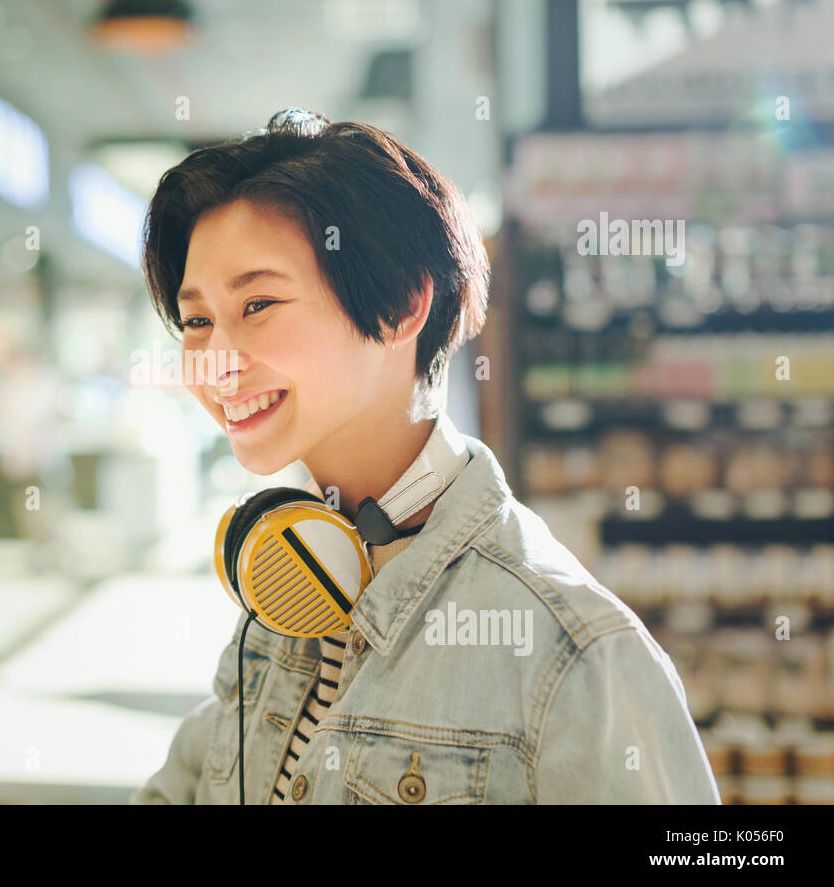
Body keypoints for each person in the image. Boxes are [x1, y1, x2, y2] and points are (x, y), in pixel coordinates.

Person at [128, 109, 720, 804]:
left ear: (405, 304)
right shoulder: (288, 590)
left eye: (258, 304)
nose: (216, 364)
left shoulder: (574, 652)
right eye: (197, 321)